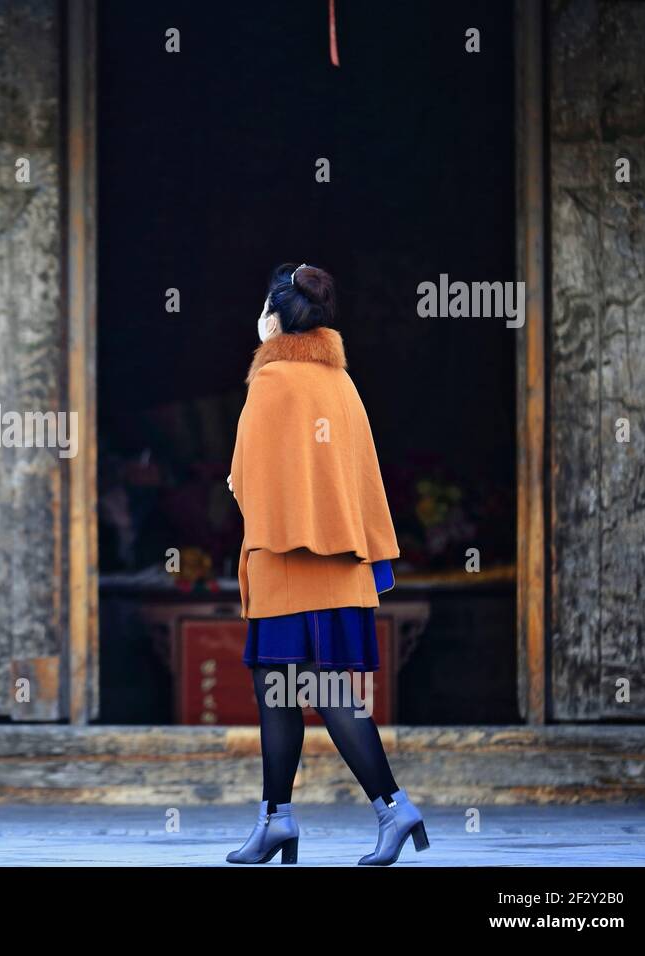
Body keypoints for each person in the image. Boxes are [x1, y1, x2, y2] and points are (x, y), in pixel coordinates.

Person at [223, 263, 428, 866]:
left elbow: (243, 479)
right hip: (340, 569)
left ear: (275, 316)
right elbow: (363, 478)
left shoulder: (272, 381)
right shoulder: (342, 384)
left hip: (288, 567)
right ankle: (291, 820)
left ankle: (321, 816)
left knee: (282, 692)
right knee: (322, 692)